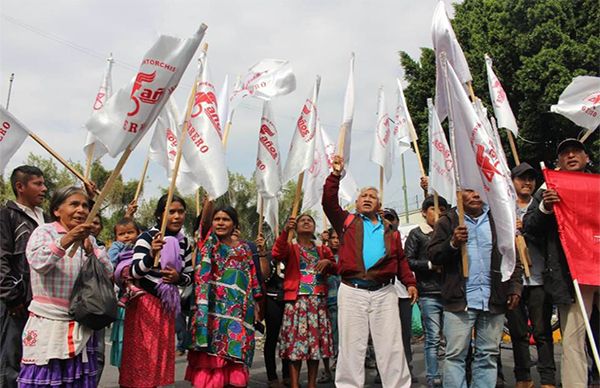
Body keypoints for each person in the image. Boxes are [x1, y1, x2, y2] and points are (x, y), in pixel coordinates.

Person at [322, 155, 417, 388]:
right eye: (363, 195)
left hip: (384, 292)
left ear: (379, 205)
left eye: (372, 196)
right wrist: (335, 175)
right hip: (352, 291)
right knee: (352, 346)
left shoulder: (390, 231)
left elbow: (401, 260)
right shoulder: (347, 222)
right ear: (356, 203)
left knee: (391, 346)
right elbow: (328, 202)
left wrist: (410, 282)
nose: (367, 198)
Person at [17, 185, 112, 387]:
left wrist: (91, 251)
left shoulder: (91, 240)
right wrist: (68, 239)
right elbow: (38, 262)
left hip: (81, 322)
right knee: (45, 376)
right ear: (57, 210)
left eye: (85, 205)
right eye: (74, 204)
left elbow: (108, 272)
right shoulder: (44, 232)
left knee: (76, 379)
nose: (81, 210)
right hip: (49, 321)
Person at [428, 189, 523, 388]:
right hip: (459, 301)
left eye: (478, 191)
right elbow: (434, 255)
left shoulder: (498, 219)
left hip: (493, 299)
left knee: (487, 355)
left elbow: (511, 256)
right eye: (469, 191)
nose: (475, 195)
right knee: (455, 356)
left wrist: (514, 287)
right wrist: (452, 243)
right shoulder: (448, 221)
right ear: (458, 193)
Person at [523, 138, 598, 387]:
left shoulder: (597, 184)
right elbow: (530, 228)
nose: (571, 155)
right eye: (565, 153)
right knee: (573, 338)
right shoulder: (549, 189)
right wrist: (545, 207)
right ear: (558, 162)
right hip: (573, 274)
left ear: (587, 157)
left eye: (576, 151)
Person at [119, 194, 193, 388]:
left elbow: (190, 275)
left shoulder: (184, 242)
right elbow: (135, 271)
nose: (177, 217)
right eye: (171, 212)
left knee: (159, 356)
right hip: (145, 305)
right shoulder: (146, 238)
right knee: (142, 355)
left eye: (180, 212)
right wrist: (151, 254)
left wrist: (178, 278)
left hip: (168, 306)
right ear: (160, 215)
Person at [185, 204, 262, 387]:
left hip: (236, 315)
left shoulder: (244, 250)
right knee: (211, 367)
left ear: (234, 224)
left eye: (225, 219)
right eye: (217, 219)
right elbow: (203, 224)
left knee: (233, 363)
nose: (220, 223)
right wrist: (210, 198)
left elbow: (251, 279)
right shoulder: (208, 242)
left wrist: (257, 305)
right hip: (210, 314)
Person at [505, 162, 557, 388]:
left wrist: (527, 226)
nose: (527, 182)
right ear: (511, 181)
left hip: (538, 278)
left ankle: (547, 378)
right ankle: (523, 376)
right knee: (518, 333)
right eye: (521, 178)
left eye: (531, 178)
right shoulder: (503, 207)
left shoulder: (542, 206)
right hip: (513, 280)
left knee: (542, 331)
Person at [272, 214, 336, 388]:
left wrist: (328, 263)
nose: (306, 222)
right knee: (295, 346)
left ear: (314, 227)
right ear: (296, 226)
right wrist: (286, 231)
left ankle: (312, 384)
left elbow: (337, 268)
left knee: (314, 347)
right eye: (302, 220)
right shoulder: (291, 248)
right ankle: (294, 384)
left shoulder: (322, 249)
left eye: (310, 220)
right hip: (296, 302)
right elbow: (277, 253)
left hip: (318, 303)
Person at [0, 166, 47, 388]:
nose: (44, 189)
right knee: (12, 362)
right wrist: (11, 297)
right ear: (20, 187)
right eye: (38, 184)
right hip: (16, 304)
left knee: (37, 361)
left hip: (42, 303)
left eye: (44, 183)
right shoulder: (6, 216)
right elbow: (2, 258)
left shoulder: (46, 218)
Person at [406, 195, 449, 388]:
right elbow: (408, 261)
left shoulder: (451, 232)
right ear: (424, 213)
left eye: (441, 209)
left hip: (450, 293)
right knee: (432, 337)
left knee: (453, 339)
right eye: (433, 209)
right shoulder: (417, 234)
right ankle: (433, 377)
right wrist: (431, 265)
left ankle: (452, 376)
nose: (438, 213)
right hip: (429, 293)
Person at [107, 217, 142, 368]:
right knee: (123, 342)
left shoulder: (143, 246)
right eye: (122, 234)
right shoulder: (117, 247)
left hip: (142, 300)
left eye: (130, 232)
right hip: (124, 295)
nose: (126, 236)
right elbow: (110, 262)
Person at [259, 238, 291, 388]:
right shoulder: (269, 257)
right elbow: (264, 276)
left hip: (290, 300)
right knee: (272, 338)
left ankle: (287, 375)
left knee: (288, 339)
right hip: (272, 300)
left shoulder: (292, 255)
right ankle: (272, 377)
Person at [317, 227, 341, 384]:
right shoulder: (324, 255)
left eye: (339, 237)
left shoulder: (348, 255)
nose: (336, 240)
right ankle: (329, 368)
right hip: (329, 301)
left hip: (347, 302)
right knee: (329, 337)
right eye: (333, 237)